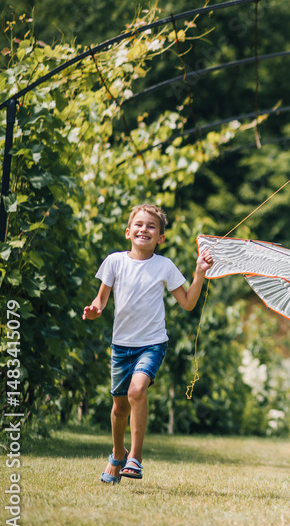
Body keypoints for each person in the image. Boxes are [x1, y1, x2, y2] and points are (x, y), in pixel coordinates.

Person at [83, 204, 212, 484]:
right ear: (128, 232)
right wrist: (95, 309)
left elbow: (188, 303)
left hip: (152, 344)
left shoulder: (164, 265)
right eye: (139, 225)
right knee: (118, 409)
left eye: (151, 226)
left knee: (137, 391)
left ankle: (136, 458)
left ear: (160, 238)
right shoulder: (114, 262)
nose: (144, 229)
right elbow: (101, 299)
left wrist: (199, 272)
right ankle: (118, 455)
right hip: (121, 346)